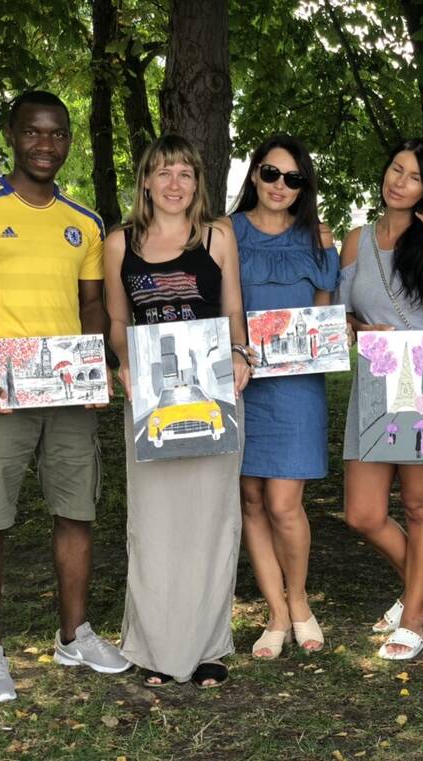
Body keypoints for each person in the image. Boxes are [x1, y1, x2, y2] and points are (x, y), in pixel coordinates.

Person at [0, 90, 130, 703]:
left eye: (58, 133)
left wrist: (94, 366)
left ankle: (75, 635)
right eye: (34, 132)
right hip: (0, 387)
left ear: (69, 140)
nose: (46, 144)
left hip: (67, 387)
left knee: (77, 511)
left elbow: (92, 304)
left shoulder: (85, 221)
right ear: (11, 136)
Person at [104, 134, 250, 688]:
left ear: (197, 183)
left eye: (185, 173)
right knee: (154, 523)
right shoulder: (119, 243)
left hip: (213, 394)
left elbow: (233, 309)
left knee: (213, 520)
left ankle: (209, 646)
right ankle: (153, 647)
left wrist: (241, 354)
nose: (174, 183)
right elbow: (118, 322)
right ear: (145, 181)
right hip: (151, 400)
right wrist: (124, 362)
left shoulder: (217, 236)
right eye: (163, 172)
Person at [339, 138, 423, 660]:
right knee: (362, 513)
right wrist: (356, 327)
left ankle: (414, 617)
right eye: (396, 169)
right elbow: (342, 313)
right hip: (375, 377)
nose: (400, 182)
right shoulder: (356, 240)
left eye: (414, 177)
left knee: (418, 505)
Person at [230, 135, 339, 658]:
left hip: (296, 388)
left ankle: (299, 600)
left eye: (293, 178)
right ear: (255, 173)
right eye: (271, 173)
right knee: (251, 500)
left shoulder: (318, 238)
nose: (280, 185)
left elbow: (323, 314)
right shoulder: (224, 232)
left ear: (303, 187)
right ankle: (275, 611)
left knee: (283, 503)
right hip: (239, 383)